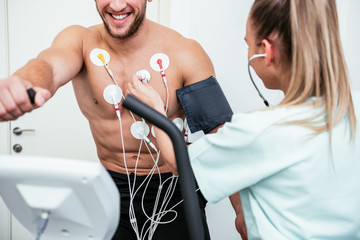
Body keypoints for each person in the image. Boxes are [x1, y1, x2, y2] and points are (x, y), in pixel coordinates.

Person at [0, 0, 238, 239]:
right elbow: (48, 66)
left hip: (174, 189)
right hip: (110, 189)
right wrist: (24, 82)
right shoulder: (80, 42)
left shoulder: (185, 53)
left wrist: (241, 212)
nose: (115, 4)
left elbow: (224, 142)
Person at [127, 0, 360, 239]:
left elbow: (180, 163)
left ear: (266, 51)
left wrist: (155, 109)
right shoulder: (354, 108)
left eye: (248, 44)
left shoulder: (259, 131)